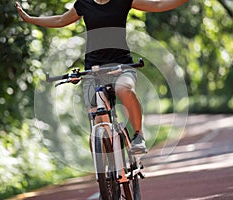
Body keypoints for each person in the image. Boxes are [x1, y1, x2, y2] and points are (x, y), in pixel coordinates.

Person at [16, 0, 188, 153]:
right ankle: (107, 175)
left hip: (122, 66)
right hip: (94, 69)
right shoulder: (84, 3)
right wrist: (30, 19)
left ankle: (138, 134)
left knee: (124, 88)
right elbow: (61, 20)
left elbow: (157, 5)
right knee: (98, 125)